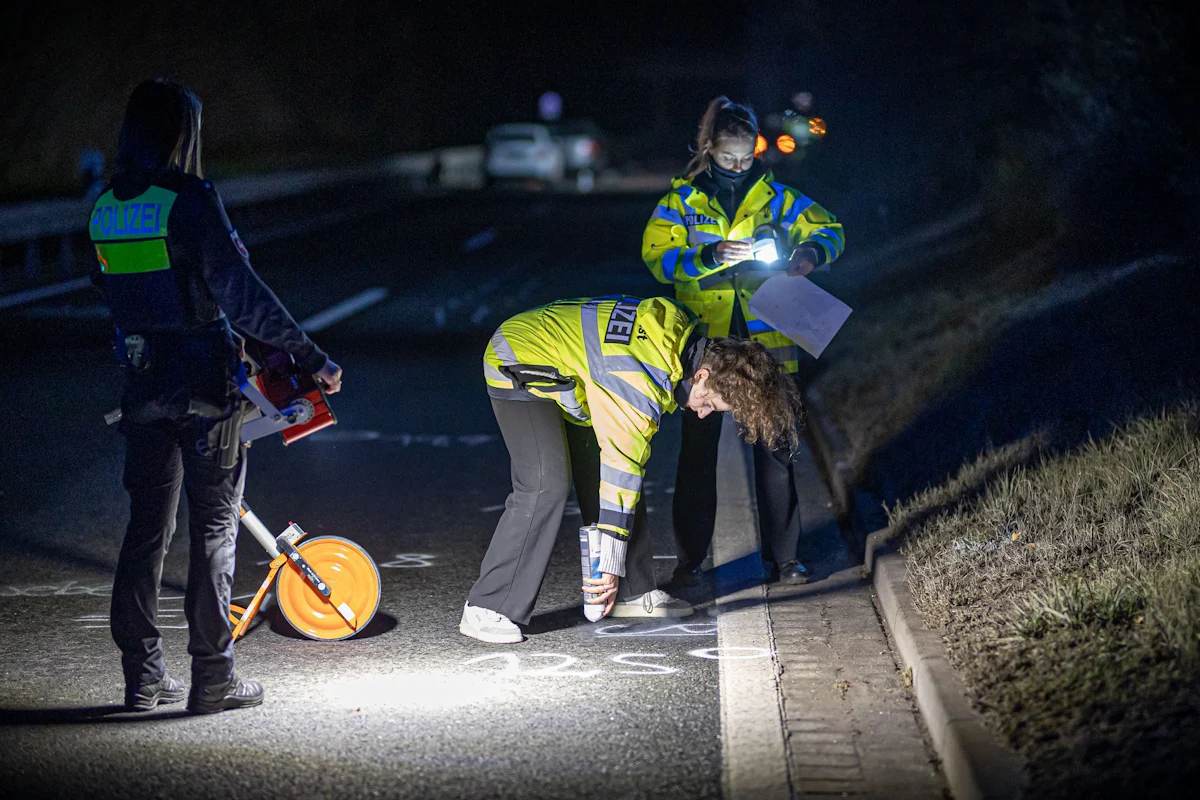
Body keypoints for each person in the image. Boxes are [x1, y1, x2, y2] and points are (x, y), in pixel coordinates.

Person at [89, 79, 342, 714]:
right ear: (181, 132)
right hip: (204, 384)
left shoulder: (106, 207)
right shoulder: (190, 199)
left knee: (145, 530)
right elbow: (242, 294)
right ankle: (212, 678)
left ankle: (143, 678)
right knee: (213, 527)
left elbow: (113, 292)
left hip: (142, 382)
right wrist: (310, 356)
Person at [460, 295, 800, 643]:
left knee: (616, 478)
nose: (702, 413)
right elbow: (621, 468)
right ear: (701, 375)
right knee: (547, 483)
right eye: (709, 403)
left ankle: (633, 592)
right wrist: (608, 566)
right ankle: (487, 605)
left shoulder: (679, 335)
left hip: (574, 372)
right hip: (518, 360)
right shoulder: (635, 383)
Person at [642, 96, 845, 586]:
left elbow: (831, 230)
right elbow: (656, 257)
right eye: (728, 157)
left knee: (776, 445)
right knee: (697, 454)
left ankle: (786, 559)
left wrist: (808, 255)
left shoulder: (779, 199)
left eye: (746, 157)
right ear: (709, 149)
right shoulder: (681, 202)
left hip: (769, 337)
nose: (737, 166)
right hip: (705, 342)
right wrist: (709, 255)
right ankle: (689, 562)